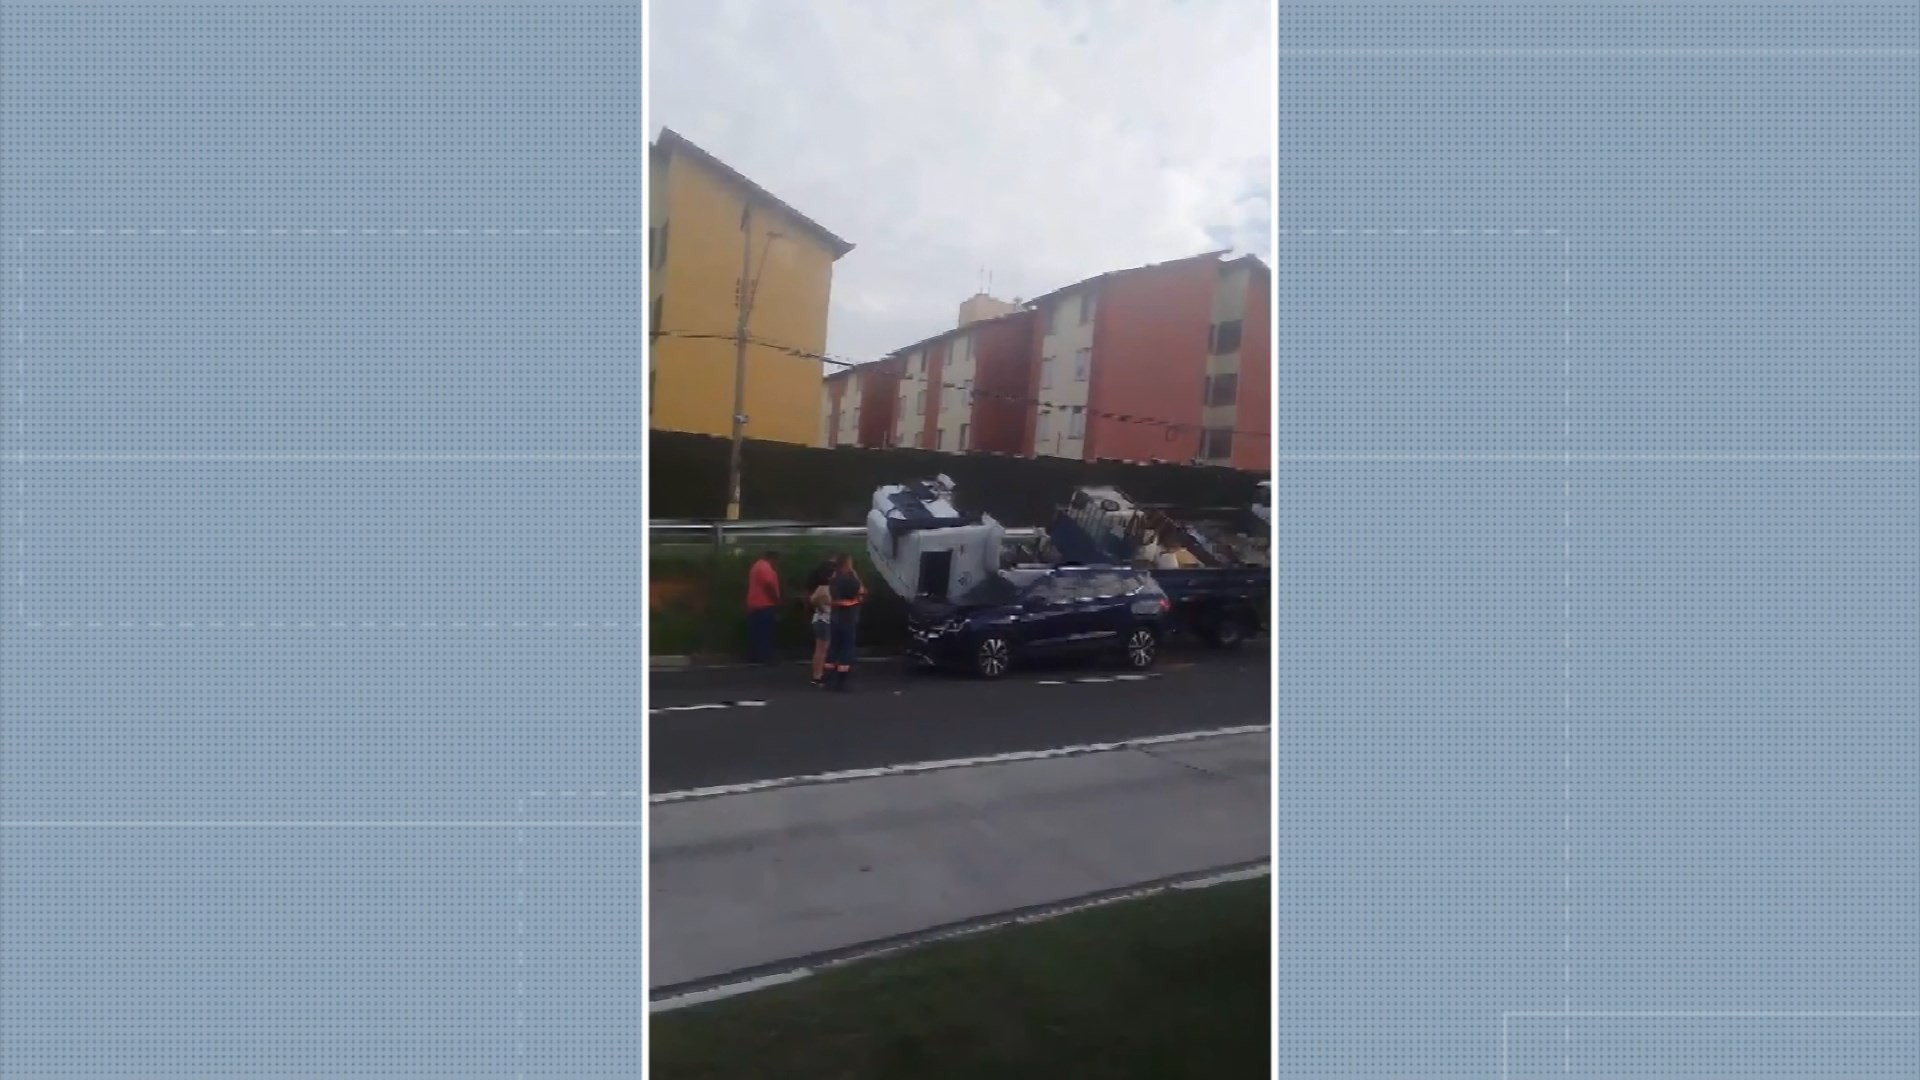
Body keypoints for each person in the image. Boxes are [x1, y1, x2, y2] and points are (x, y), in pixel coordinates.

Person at [824, 553, 865, 691]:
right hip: (848, 617)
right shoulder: (851, 580)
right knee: (846, 648)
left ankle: (828, 679)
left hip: (835, 616)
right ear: (847, 564)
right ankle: (842, 682)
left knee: (833, 647)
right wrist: (855, 575)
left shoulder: (833, 580)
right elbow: (862, 591)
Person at [744, 551, 781, 664]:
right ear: (772, 558)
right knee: (765, 632)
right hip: (765, 604)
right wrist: (776, 600)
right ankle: (765, 657)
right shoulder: (766, 568)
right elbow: (768, 585)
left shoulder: (756, 566)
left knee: (755, 632)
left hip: (754, 604)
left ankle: (753, 657)